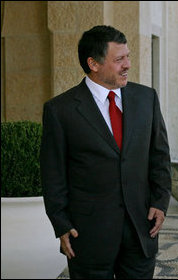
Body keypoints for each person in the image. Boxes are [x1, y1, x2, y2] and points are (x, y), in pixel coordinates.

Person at [40, 25, 171, 279]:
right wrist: (61, 224)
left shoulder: (147, 99)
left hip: (140, 230)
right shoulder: (60, 110)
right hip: (88, 236)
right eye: (119, 59)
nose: (127, 65)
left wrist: (160, 200)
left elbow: (160, 156)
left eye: (128, 56)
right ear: (94, 63)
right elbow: (53, 173)